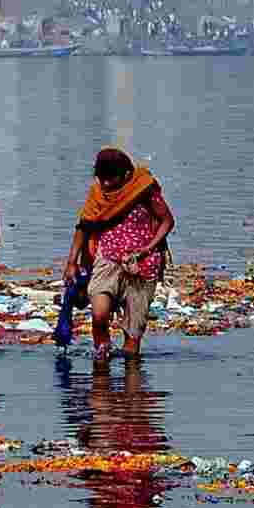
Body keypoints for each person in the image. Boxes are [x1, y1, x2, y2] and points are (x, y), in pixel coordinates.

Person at [62, 148, 175, 360]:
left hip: (142, 266)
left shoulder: (143, 189)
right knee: (99, 314)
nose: (104, 184)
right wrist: (72, 262)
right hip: (107, 260)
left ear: (125, 175)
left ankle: (131, 384)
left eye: (110, 179)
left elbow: (167, 221)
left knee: (133, 333)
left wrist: (147, 248)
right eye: (101, 178)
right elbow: (84, 226)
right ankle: (101, 366)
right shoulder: (97, 194)